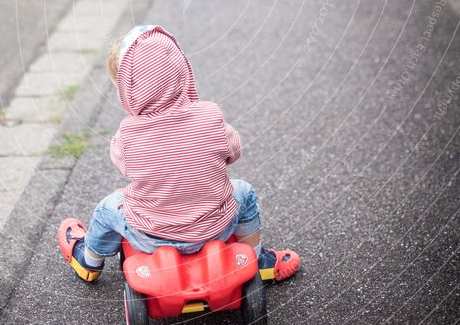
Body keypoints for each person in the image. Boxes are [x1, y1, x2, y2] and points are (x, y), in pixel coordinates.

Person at [57, 25, 300, 283]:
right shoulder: (210, 116)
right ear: (181, 71)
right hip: (214, 229)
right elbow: (234, 150)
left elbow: (122, 165)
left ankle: (89, 261)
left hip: (150, 236)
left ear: (128, 91)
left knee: (108, 207)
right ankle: (257, 258)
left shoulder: (128, 134)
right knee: (244, 191)